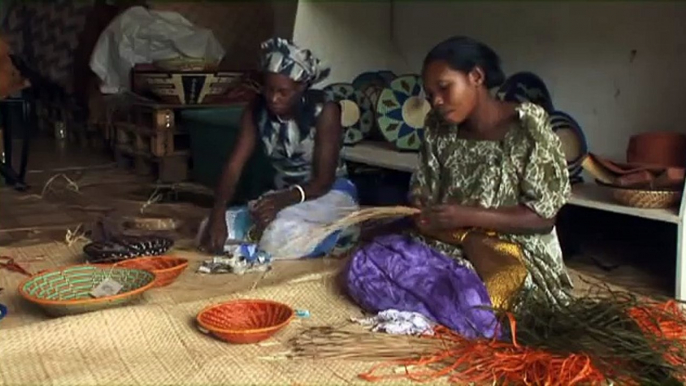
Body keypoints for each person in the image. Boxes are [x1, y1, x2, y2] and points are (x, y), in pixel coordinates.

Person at [345, 36, 574, 338]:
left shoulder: (526, 129)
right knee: (366, 263)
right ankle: (447, 313)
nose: (436, 100)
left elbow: (542, 217)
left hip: (512, 251)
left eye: (444, 87)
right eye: (429, 94)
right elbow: (424, 187)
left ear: (476, 77)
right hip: (448, 237)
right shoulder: (438, 127)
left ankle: (450, 313)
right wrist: (422, 204)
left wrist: (466, 216)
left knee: (482, 299)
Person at [198, 37, 359, 259]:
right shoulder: (256, 111)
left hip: (330, 195)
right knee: (208, 229)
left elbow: (323, 181)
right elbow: (234, 166)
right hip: (285, 196)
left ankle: (343, 231)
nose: (273, 98)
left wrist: (282, 202)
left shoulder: (326, 111)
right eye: (269, 89)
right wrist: (217, 213)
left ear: (301, 87)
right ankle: (281, 236)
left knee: (277, 234)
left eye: (283, 92)